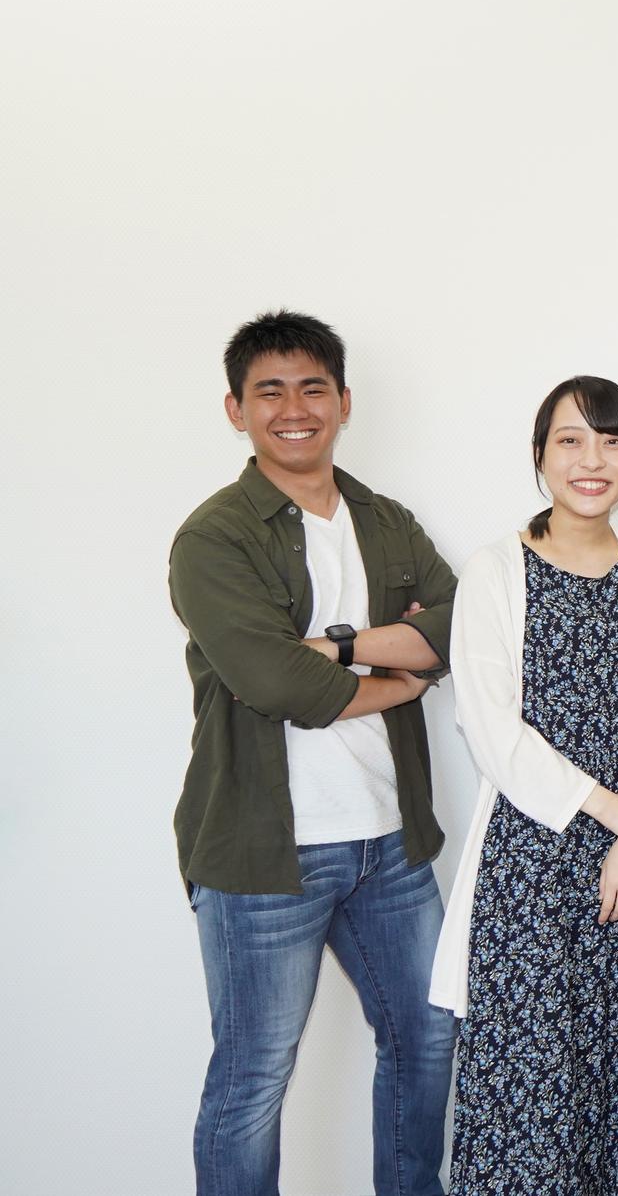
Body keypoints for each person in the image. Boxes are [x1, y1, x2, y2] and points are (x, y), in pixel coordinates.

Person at [169, 311, 458, 1196]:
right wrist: (400, 677)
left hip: (391, 844)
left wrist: (335, 646)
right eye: (270, 392)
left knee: (429, 1038)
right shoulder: (214, 537)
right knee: (254, 1078)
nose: (294, 409)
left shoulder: (386, 521)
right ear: (236, 410)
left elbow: (461, 628)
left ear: (343, 402)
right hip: (265, 857)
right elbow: (277, 684)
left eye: (312, 389)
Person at [432, 375, 618, 1193]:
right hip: (529, 862)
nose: (592, 461)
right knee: (531, 1084)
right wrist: (609, 811)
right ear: (539, 456)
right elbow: (490, 728)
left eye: (612, 442)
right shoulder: (494, 569)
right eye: (570, 441)